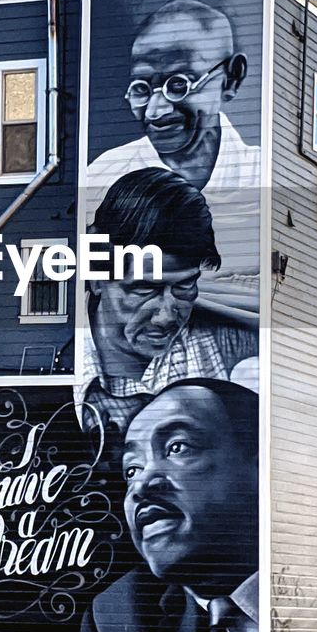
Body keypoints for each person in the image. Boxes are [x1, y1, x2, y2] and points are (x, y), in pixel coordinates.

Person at [86, 0, 261, 315]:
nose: (156, 111)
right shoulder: (103, 176)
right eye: (141, 89)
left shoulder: (263, 175)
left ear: (232, 78)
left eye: (179, 85)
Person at [75, 168, 258, 438]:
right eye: (144, 289)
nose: (166, 316)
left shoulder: (236, 344)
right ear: (96, 278)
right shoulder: (58, 363)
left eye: (184, 286)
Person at [80, 379, 259, 632]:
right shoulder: (118, 616)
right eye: (132, 469)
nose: (139, 486)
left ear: (261, 465)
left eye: (177, 447)